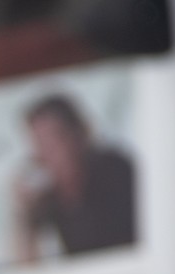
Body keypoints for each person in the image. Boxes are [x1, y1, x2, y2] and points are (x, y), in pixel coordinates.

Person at [11, 94, 136, 264]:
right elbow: (24, 268)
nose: (47, 155)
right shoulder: (52, 197)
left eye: (54, 141)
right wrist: (22, 212)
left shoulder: (115, 172)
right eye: (40, 145)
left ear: (79, 135)